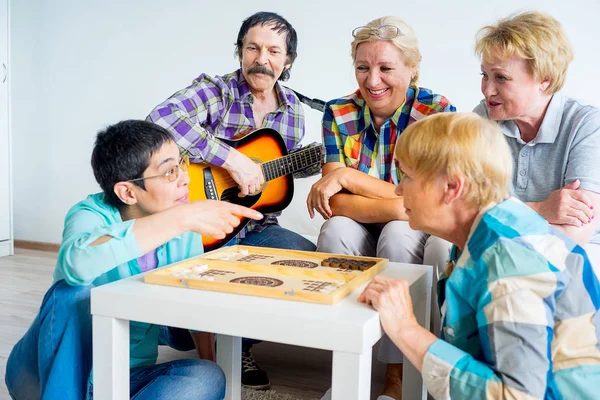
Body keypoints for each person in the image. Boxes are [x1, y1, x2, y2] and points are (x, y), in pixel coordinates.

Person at [5, 120, 263, 400]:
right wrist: (181, 218)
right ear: (127, 192)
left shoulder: (183, 227)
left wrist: (210, 365)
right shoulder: (89, 214)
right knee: (71, 292)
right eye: (169, 172)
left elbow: (194, 306)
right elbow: (76, 264)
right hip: (45, 378)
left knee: (206, 377)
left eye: (182, 163)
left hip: (123, 376)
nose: (185, 178)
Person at [360, 112, 600, 399]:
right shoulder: (483, 234)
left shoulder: (510, 261)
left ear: (452, 187)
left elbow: (516, 395)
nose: (399, 189)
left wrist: (405, 329)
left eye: (408, 176)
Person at [147, 11, 316, 390]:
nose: (262, 58)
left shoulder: (293, 111)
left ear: (287, 61)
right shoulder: (217, 91)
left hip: (257, 226)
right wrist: (232, 160)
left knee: (309, 261)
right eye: (252, 47)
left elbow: (276, 172)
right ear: (240, 51)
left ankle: (236, 342)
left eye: (274, 50)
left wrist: (317, 163)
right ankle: (175, 331)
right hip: (201, 221)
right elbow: (159, 119)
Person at [306, 16, 454, 400]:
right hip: (365, 220)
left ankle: (397, 376)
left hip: (412, 226)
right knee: (336, 230)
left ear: (412, 68)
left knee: (400, 234)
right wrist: (397, 203)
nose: (372, 81)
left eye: (386, 67)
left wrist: (352, 179)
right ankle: (344, 368)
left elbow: (424, 204)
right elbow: (334, 204)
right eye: (363, 67)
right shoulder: (338, 111)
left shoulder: (435, 110)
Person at [473, 11, 600, 275]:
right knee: (440, 246)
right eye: (484, 75)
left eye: (501, 78)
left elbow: (577, 228)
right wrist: (540, 209)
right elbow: (465, 208)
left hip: (579, 246)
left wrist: (503, 227)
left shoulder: (586, 124)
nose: (487, 90)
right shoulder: (483, 118)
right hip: (501, 239)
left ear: (545, 80)